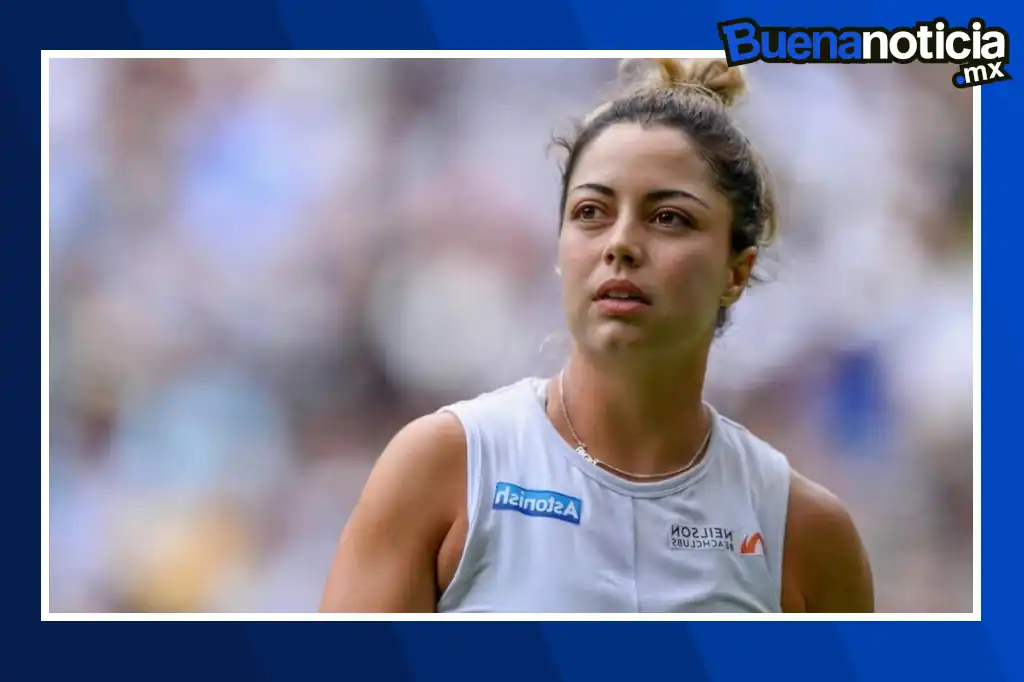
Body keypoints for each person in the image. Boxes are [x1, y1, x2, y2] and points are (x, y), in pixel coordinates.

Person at [319, 58, 875, 613]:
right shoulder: (444, 468)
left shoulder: (803, 532)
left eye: (669, 218)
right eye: (591, 212)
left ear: (736, 270)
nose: (621, 244)